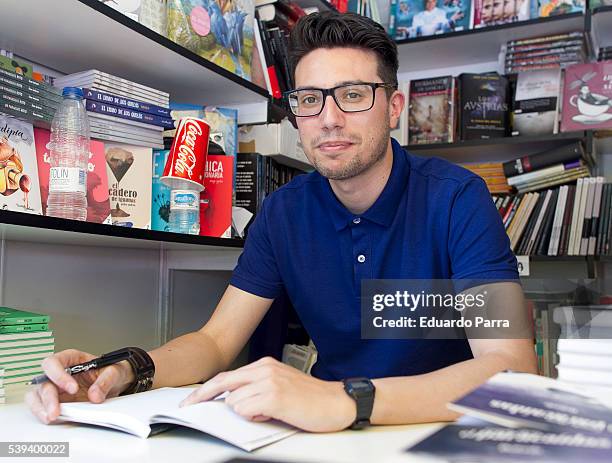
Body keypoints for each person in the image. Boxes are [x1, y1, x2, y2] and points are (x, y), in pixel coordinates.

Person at [27, 12, 537, 433]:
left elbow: (511, 370)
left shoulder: (458, 199)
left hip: (438, 430)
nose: (329, 118)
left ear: (394, 108)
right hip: (321, 434)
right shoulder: (285, 211)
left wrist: (344, 400)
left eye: (354, 95)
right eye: (310, 99)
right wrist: (126, 368)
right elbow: (215, 343)